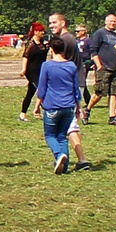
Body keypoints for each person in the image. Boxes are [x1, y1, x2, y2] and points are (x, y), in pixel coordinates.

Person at [35, 37, 82, 173]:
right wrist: (79, 107)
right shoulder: (71, 66)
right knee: (62, 136)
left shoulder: (47, 66)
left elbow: (42, 88)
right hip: (68, 106)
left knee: (50, 135)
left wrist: (37, 105)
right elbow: (76, 89)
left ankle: (59, 154)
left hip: (52, 106)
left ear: (51, 49)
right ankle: (64, 167)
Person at [91, 14, 116, 125]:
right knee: (99, 93)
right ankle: (87, 109)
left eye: (114, 21)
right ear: (106, 21)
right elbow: (93, 50)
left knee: (114, 93)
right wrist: (99, 65)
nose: (112, 23)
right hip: (104, 68)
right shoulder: (100, 33)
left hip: (115, 68)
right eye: (110, 21)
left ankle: (112, 117)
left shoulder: (115, 35)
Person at [18, 22, 47, 121]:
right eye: (41, 31)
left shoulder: (43, 42)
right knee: (41, 90)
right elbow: (25, 57)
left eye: (43, 30)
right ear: (35, 32)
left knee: (30, 92)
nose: (43, 32)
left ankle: (23, 114)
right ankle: (48, 111)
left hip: (41, 71)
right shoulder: (31, 44)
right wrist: (23, 69)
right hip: (32, 72)